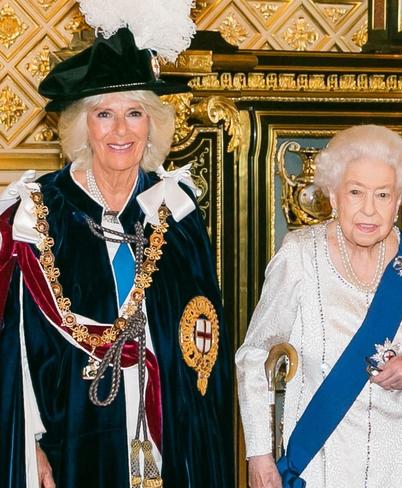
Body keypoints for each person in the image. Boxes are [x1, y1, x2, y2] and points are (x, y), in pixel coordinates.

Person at [0, 26, 233, 487]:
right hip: (72, 441)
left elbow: (205, 351)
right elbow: (14, 356)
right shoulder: (36, 217)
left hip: (168, 438)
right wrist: (32, 449)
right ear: (82, 125)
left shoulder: (177, 214)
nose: (121, 130)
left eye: (134, 113)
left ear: (153, 123)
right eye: (104, 114)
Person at [236, 124, 402, 488]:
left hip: (399, 471)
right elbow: (254, 355)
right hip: (318, 467)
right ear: (334, 197)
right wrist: (259, 454)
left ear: (399, 202)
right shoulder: (300, 254)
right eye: (356, 192)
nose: (369, 209)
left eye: (383, 195)